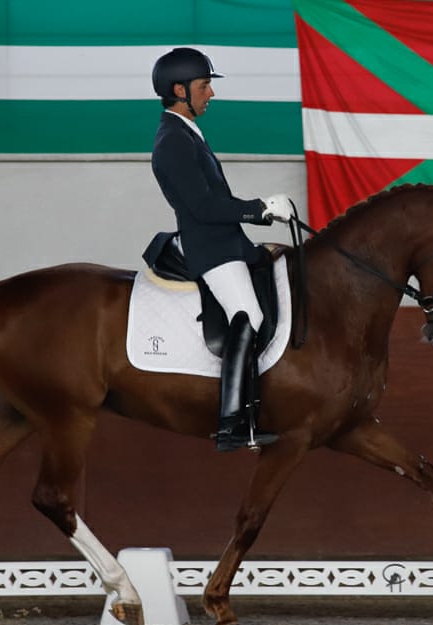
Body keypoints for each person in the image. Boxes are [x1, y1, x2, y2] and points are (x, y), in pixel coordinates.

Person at [149, 47, 294, 453]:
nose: (210, 93)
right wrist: (259, 208)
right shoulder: (172, 141)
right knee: (248, 314)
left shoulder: (187, 133)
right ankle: (233, 423)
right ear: (179, 90)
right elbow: (204, 206)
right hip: (210, 249)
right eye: (204, 85)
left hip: (226, 242)